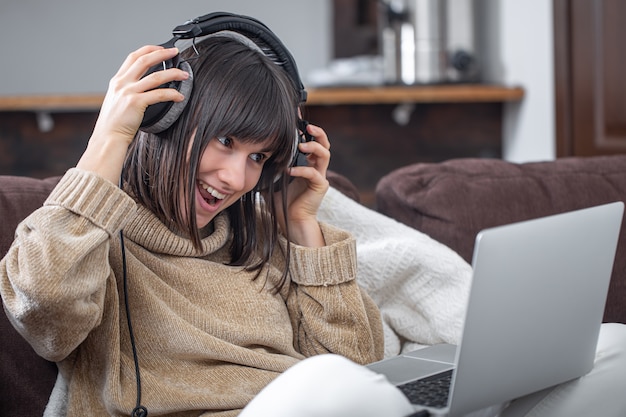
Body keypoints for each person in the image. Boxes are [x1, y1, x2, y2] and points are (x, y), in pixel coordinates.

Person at [2, 12, 626, 417]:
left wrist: (303, 229)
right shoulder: (88, 228)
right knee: (332, 391)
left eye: (259, 159)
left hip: (331, 404)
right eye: (225, 143)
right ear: (163, 118)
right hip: (306, 406)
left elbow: (361, 365)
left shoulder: (259, 236)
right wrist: (108, 140)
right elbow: (46, 313)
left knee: (611, 353)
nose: (236, 179)